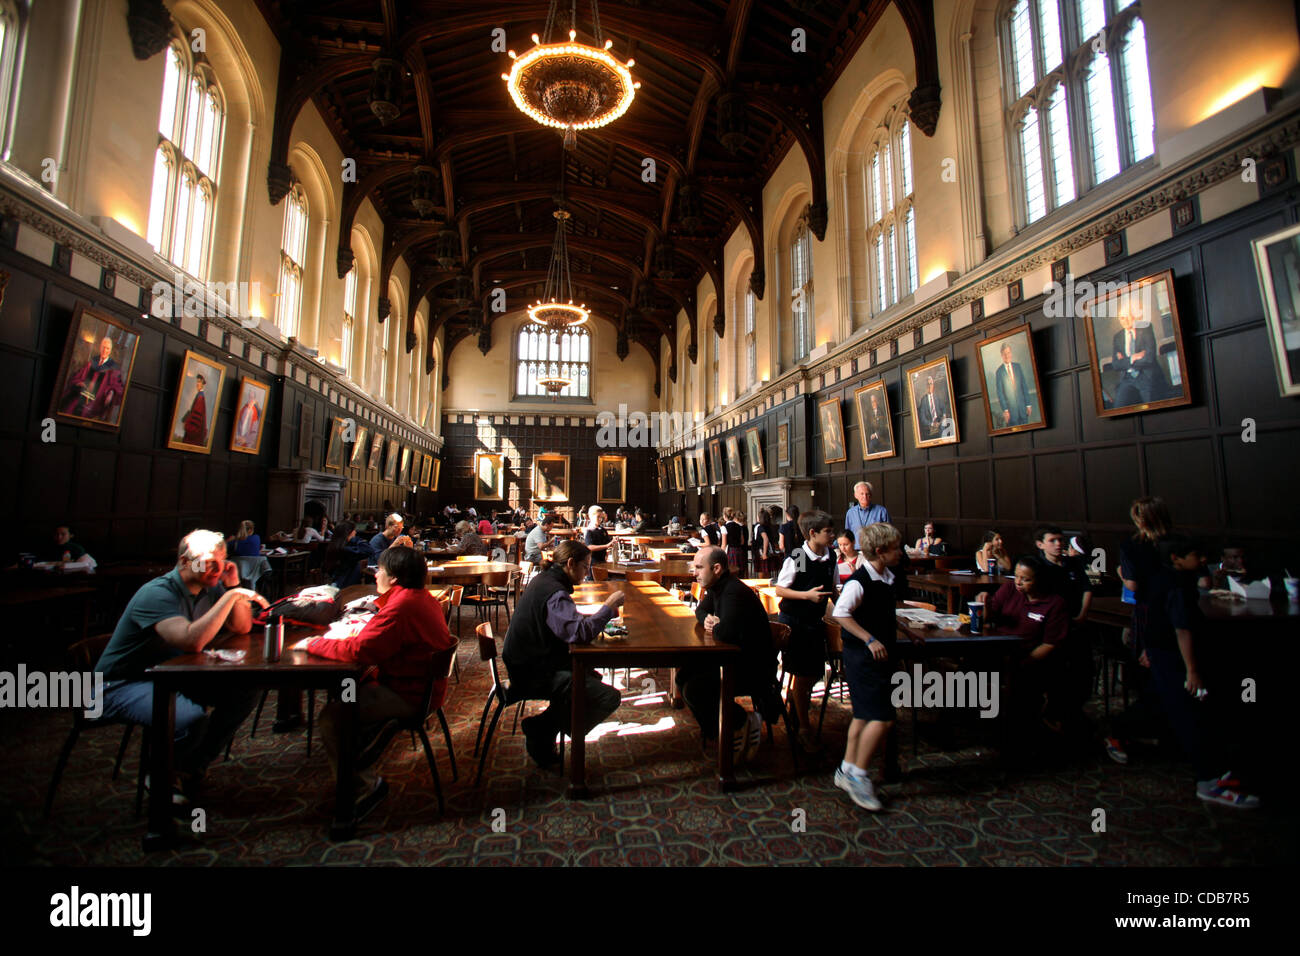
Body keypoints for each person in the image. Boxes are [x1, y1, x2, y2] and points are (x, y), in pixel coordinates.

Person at [95, 530, 268, 801]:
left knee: (245, 690)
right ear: (185, 562)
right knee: (190, 717)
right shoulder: (157, 593)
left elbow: (242, 626)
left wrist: (233, 588)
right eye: (209, 560)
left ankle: (189, 766)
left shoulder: (210, 587)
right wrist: (228, 598)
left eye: (222, 561)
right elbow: (192, 642)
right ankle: (161, 777)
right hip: (117, 683)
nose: (217, 568)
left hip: (168, 676)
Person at [293, 545, 456, 820]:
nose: (375, 574)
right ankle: (357, 757)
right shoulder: (420, 598)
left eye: (379, 569)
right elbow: (375, 643)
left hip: (409, 695)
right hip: (417, 685)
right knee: (346, 696)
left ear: (393, 577)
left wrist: (315, 645)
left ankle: (365, 787)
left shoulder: (402, 606)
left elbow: (361, 652)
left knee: (333, 715)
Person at [1139, 535, 1259, 808]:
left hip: (1162, 653)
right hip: (1174, 658)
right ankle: (1212, 781)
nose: (1203, 559)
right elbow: (1182, 629)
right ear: (1176, 559)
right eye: (1196, 554)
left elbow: (1152, 617)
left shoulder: (1161, 578)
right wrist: (1192, 670)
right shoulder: (1177, 586)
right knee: (1193, 715)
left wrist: (1149, 647)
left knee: (1175, 709)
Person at [502, 540, 624, 767]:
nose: (587, 572)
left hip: (529, 660)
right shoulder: (554, 593)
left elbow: (569, 625)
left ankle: (546, 728)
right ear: (570, 563)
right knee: (607, 696)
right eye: (585, 566)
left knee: (591, 678)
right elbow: (578, 632)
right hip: (530, 672)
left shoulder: (546, 580)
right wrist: (607, 607)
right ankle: (542, 729)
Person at [831, 522, 905, 811]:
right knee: (883, 718)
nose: (900, 552)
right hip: (862, 657)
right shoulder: (859, 581)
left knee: (863, 715)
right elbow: (841, 614)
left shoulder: (886, 576)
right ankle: (860, 776)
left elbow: (881, 612)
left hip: (878, 654)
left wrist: (904, 630)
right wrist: (869, 638)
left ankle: (846, 770)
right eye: (896, 548)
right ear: (879, 551)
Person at [677, 547, 773, 759]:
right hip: (732, 658)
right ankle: (721, 732)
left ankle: (742, 721)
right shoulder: (717, 587)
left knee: (695, 688)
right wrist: (710, 621)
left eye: (699, 568)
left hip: (752, 666)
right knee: (683, 675)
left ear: (717, 568)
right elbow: (700, 611)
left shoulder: (732, 592)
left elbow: (726, 633)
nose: (695, 573)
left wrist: (717, 627)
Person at [984, 555, 1070, 759]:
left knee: (1019, 686)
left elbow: (1050, 644)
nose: (1019, 583)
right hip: (998, 650)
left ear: (1039, 580)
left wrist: (1025, 662)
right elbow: (990, 618)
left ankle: (1014, 743)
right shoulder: (1009, 590)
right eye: (1016, 577)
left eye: (1026, 579)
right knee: (966, 673)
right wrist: (985, 604)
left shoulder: (1055, 603)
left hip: (1031, 658)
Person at [774, 509, 838, 753]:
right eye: (828, 532)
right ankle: (804, 728)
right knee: (802, 676)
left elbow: (833, 588)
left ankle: (796, 704)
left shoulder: (831, 556)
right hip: (795, 621)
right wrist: (806, 596)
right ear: (812, 533)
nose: (832, 535)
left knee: (813, 674)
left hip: (816, 621)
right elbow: (781, 590)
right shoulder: (799, 556)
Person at [1110, 295, 1170, 406]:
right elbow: (1116, 365)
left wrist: (1126, 362)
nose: (1125, 320)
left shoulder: (1145, 328)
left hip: (1146, 376)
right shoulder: (1117, 337)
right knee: (1118, 407)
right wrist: (1133, 357)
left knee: (1152, 408)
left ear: (1134, 316)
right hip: (1127, 379)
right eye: (1122, 318)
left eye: (1128, 316)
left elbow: (1149, 358)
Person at [60, 334, 126, 423]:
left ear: (110, 350)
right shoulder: (92, 362)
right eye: (103, 347)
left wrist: (111, 392)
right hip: (80, 397)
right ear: (100, 347)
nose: (105, 350)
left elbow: (117, 387)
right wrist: (79, 382)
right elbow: (78, 377)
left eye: (107, 348)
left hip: (96, 403)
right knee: (67, 413)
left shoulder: (113, 368)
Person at [322, 521, 377, 588]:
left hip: (339, 582)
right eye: (354, 531)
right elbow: (369, 550)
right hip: (346, 586)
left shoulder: (335, 546)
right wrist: (355, 539)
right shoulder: (346, 550)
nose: (355, 533)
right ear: (349, 533)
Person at [994, 342, 1033, 427]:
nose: (1007, 355)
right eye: (1004, 354)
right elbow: (1000, 393)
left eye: (1008, 353)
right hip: (1011, 414)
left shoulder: (1017, 367)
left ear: (1011, 353)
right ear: (1001, 355)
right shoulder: (999, 372)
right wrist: (1005, 410)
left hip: (1023, 410)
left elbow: (1024, 387)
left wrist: (1028, 404)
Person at [844, 481, 891, 547]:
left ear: (871, 495)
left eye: (867, 494)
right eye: (862, 494)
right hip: (856, 551)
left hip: (876, 551)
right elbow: (847, 534)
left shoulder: (882, 511)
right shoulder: (850, 513)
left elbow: (889, 534)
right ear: (855, 495)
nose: (865, 497)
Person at [918, 375, 952, 440]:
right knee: (941, 430)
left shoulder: (937, 397)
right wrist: (932, 424)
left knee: (947, 425)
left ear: (933, 385)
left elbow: (943, 407)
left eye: (931, 384)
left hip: (940, 421)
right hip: (931, 425)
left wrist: (944, 415)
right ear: (926, 386)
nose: (929, 386)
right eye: (928, 384)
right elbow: (922, 418)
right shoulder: (923, 400)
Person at [181, 373, 209, 447]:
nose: (197, 384)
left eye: (199, 382)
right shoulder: (200, 396)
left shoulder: (200, 398)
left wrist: (187, 424)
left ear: (203, 384)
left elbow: (196, 416)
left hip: (194, 434)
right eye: (197, 382)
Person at [583, 506, 612, 572]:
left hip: (603, 560)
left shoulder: (603, 530)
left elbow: (608, 542)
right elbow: (590, 547)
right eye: (598, 517)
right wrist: (606, 546)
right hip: (593, 562)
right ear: (591, 517)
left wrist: (613, 542)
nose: (600, 519)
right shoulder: (589, 530)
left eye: (601, 517)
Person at [752, 508, 777, 577]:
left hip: (762, 551)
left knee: (762, 571)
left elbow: (765, 539)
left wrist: (764, 553)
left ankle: (762, 586)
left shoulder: (760, 527)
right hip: (767, 551)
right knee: (767, 571)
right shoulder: (768, 526)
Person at [721, 507, 745, 572]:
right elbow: (742, 542)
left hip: (730, 551)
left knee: (731, 572)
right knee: (739, 572)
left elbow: (724, 544)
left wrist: (720, 554)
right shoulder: (739, 526)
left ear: (724, 516)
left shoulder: (724, 527)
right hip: (739, 551)